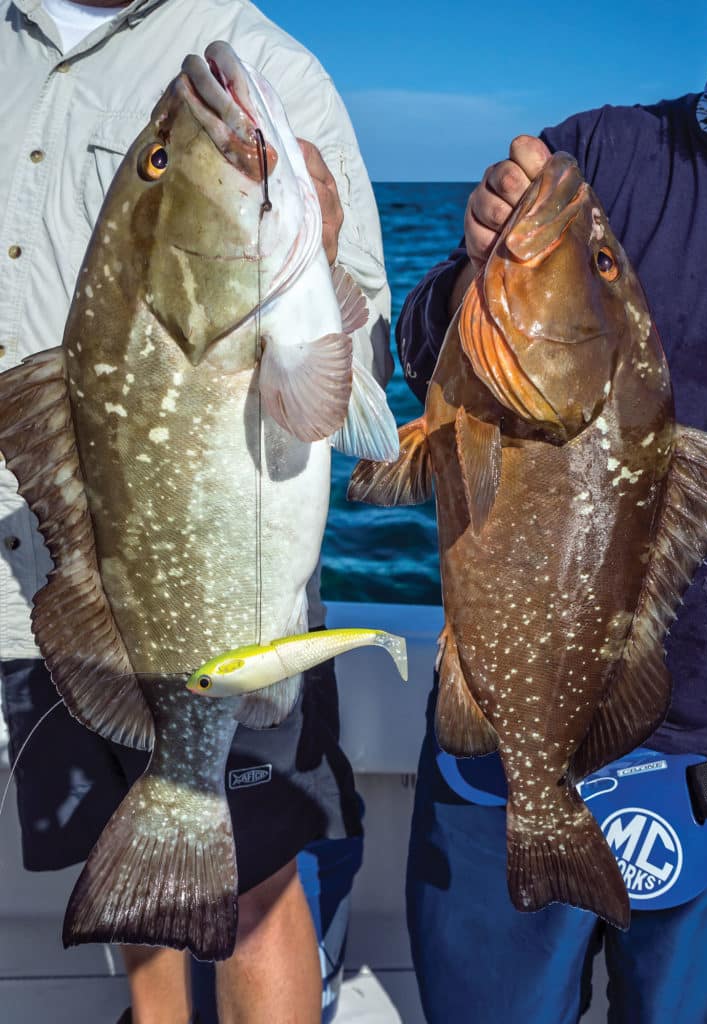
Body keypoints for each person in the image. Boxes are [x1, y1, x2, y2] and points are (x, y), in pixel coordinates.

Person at [0, 2, 392, 1023]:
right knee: (132, 865)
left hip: (222, 578)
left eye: (160, 165)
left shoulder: (265, 61)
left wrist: (323, 272)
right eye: (162, 165)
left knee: (257, 893)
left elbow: (365, 399)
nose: (200, 124)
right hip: (36, 571)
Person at [396, 2, 707, 1022]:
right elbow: (417, 340)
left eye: (601, 263)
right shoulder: (602, 154)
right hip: (501, 746)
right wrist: (477, 269)